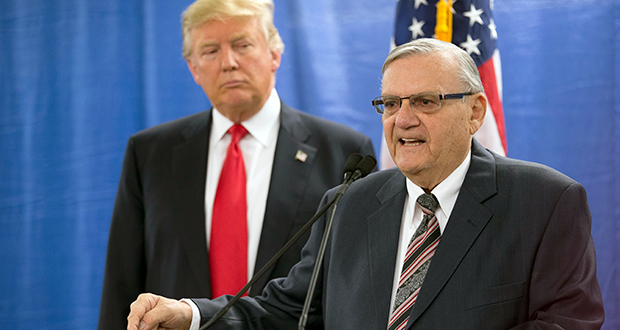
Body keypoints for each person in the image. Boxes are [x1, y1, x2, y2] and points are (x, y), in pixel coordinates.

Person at [126, 38, 605, 330]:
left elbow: (568, 323)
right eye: (391, 104)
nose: (404, 120)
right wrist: (189, 315)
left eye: (426, 102)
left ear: (475, 111)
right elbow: (286, 311)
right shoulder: (347, 205)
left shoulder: (545, 202)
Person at [97, 0, 376, 328]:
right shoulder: (149, 154)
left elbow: (358, 286)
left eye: (243, 45)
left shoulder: (344, 153)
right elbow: (123, 285)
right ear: (193, 68)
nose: (228, 62)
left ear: (274, 55)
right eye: (210, 51)